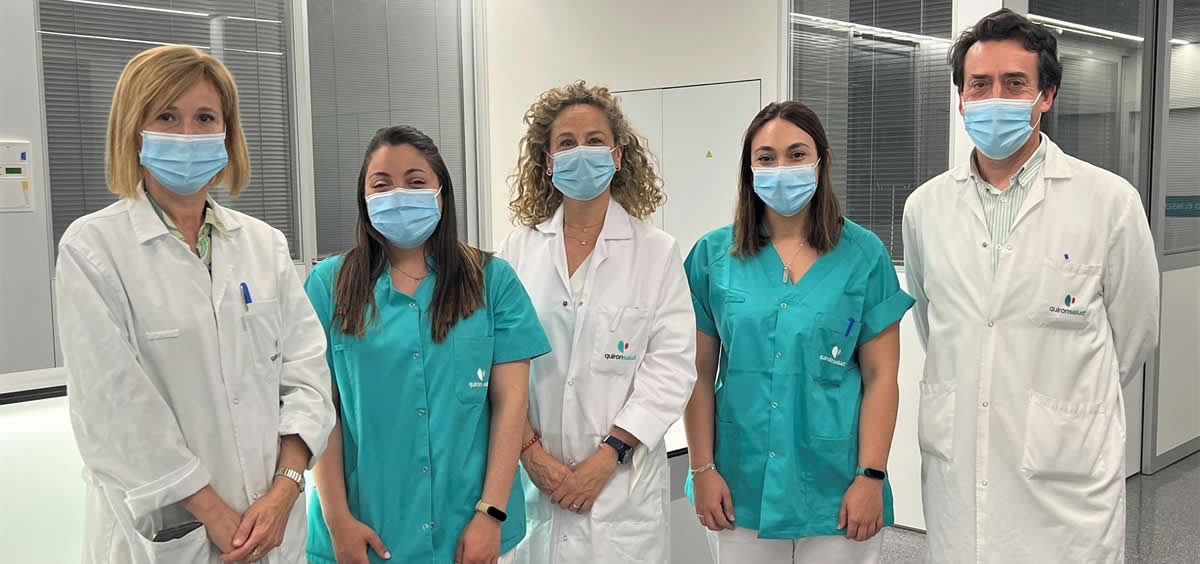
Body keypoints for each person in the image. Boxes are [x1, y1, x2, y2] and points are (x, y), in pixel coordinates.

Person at [55, 45, 334, 563]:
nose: (188, 134)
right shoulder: (93, 249)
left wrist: (286, 488)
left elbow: (307, 377)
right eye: (167, 116)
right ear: (133, 130)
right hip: (174, 533)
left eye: (205, 118)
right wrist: (216, 515)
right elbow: (114, 408)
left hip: (274, 523)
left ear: (227, 133)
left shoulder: (264, 244)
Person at [902, 9, 1160, 563]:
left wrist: (1059, 404)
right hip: (959, 469)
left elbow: (1134, 335)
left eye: (1014, 83)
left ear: (1047, 95)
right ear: (961, 99)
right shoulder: (925, 208)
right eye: (979, 84)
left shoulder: (1109, 202)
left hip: (1065, 478)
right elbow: (934, 322)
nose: (995, 97)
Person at [304, 125, 550, 564]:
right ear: (363, 198)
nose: (399, 195)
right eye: (382, 185)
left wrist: (491, 514)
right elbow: (322, 409)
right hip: (364, 529)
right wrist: (338, 522)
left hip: (470, 530)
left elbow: (511, 403)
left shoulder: (492, 280)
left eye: (415, 181)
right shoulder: (329, 285)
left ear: (441, 193)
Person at [682, 101, 912, 563]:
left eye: (797, 154)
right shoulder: (713, 256)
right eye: (766, 158)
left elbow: (881, 378)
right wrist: (702, 468)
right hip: (738, 481)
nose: (781, 168)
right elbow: (698, 374)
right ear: (749, 169)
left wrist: (870, 476)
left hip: (838, 484)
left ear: (821, 161)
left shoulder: (864, 255)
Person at [496, 80, 698, 564]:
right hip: (535, 482)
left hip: (621, 492)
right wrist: (530, 453)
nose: (581, 153)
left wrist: (608, 457)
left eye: (594, 141)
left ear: (618, 155)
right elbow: (497, 360)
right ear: (547, 160)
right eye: (566, 143)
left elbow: (671, 367)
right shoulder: (517, 251)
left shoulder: (656, 252)